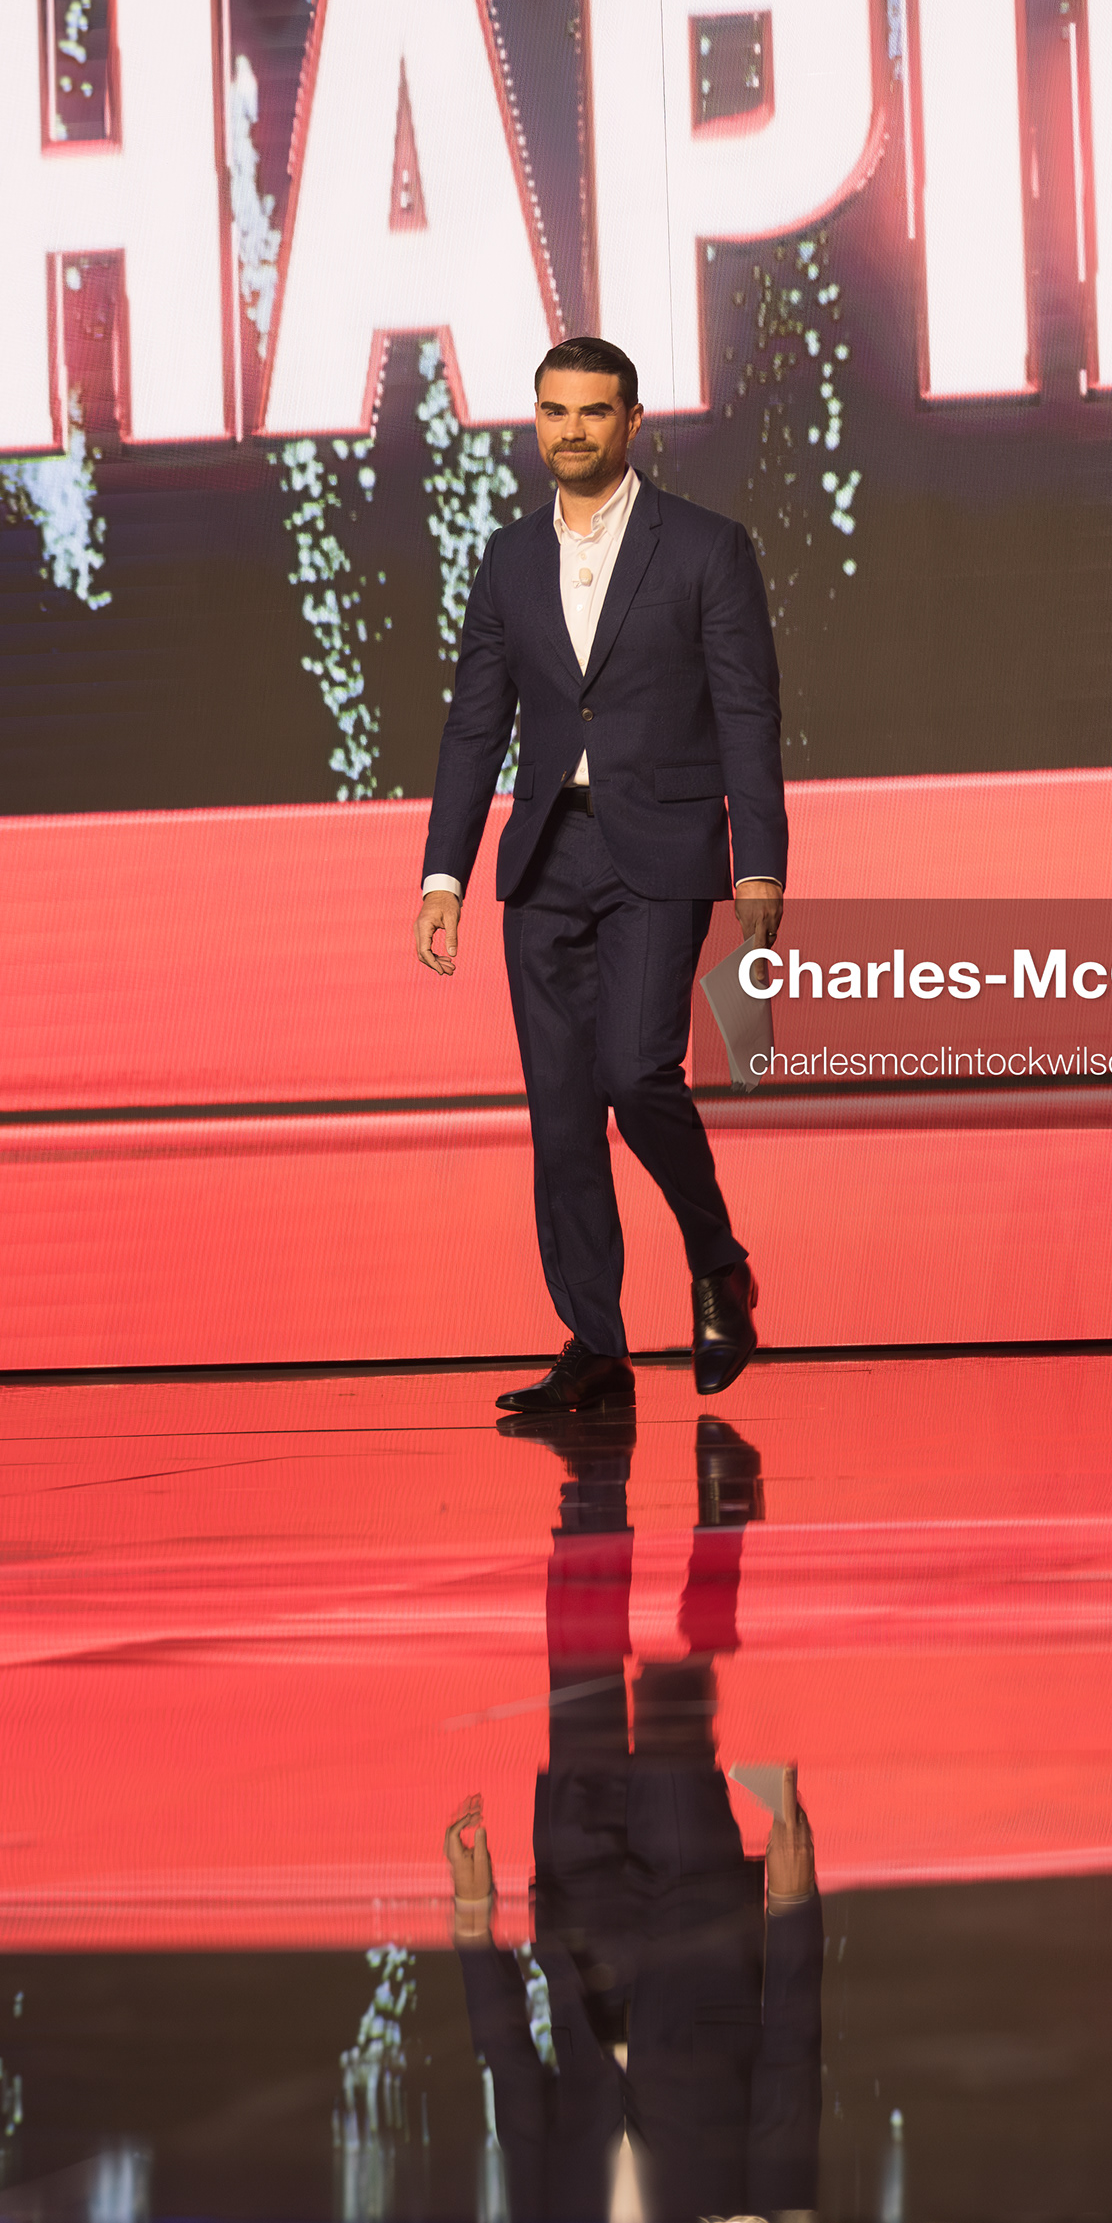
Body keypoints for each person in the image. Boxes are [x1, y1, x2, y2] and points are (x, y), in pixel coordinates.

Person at [413, 335, 787, 1419]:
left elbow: (750, 714)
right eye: (551, 411)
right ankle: (596, 1345)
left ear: (631, 424)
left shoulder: (706, 548)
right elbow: (474, 722)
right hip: (544, 859)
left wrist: (758, 859)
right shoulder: (507, 559)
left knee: (636, 1075)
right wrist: (444, 872)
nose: (568, 430)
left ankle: (716, 1261)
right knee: (563, 1113)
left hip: (660, 852)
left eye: (591, 412)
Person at [441, 1408, 821, 2223]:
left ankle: (591, 1475)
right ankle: (721, 1529)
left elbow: (513, 2081)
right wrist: (794, 1910)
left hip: (579, 1927)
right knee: (675, 1693)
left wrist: (476, 1926)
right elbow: (789, 2073)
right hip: (700, 1936)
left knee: (577, 1668)